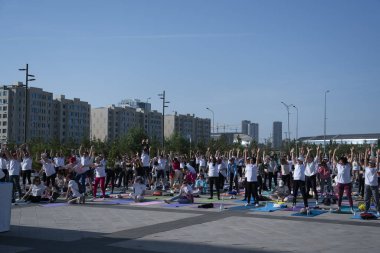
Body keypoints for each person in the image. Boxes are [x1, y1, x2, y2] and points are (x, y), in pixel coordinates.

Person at [332, 147, 354, 214]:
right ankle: (339, 208)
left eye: (341, 161)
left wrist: (352, 151)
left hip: (347, 183)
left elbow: (352, 159)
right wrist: (334, 151)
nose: (339, 161)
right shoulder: (338, 165)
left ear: (343, 161)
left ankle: (351, 208)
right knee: (340, 196)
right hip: (340, 183)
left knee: (348, 196)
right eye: (339, 161)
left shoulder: (348, 165)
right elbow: (334, 159)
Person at [363, 148, 379, 215]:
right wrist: (366, 152)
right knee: (366, 199)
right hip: (367, 185)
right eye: (369, 162)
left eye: (371, 163)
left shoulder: (375, 169)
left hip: (374, 186)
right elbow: (365, 160)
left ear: (373, 164)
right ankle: (366, 210)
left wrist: (377, 154)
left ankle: (378, 210)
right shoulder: (366, 168)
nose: (369, 163)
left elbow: (377, 162)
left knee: (376, 199)